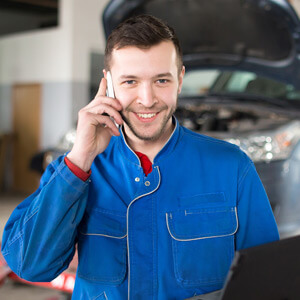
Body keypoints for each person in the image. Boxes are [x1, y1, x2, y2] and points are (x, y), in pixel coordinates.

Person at [1, 15, 279, 300]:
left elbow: (267, 280)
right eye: (130, 81)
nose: (147, 99)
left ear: (180, 79)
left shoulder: (232, 167)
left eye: (161, 80)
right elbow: (30, 265)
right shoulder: (76, 169)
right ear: (108, 84)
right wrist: (80, 159)